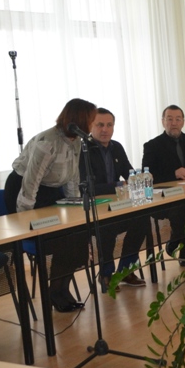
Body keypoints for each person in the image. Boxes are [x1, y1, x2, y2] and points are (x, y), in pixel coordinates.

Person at [5, 98, 96, 312]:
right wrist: (25, 219)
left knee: (77, 234)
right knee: (62, 239)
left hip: (50, 190)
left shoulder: (76, 140)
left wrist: (74, 209)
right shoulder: (47, 142)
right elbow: (31, 181)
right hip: (24, 191)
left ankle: (60, 289)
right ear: (81, 119)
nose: (93, 124)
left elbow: (73, 177)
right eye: (92, 120)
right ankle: (55, 292)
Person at [81, 108, 146, 290]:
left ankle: (125, 270)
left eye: (109, 125)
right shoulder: (84, 149)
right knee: (106, 227)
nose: (105, 129)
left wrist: (142, 178)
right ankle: (106, 274)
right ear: (90, 126)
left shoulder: (116, 147)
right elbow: (87, 187)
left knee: (142, 220)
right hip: (95, 212)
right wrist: (118, 185)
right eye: (100, 125)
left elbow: (130, 174)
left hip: (118, 207)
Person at [141, 105, 185, 266]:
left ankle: (176, 241)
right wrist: (173, 174)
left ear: (183, 122)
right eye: (169, 119)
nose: (174, 123)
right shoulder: (152, 145)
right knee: (184, 211)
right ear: (163, 121)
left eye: (178, 119)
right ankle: (184, 245)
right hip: (168, 198)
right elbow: (148, 176)